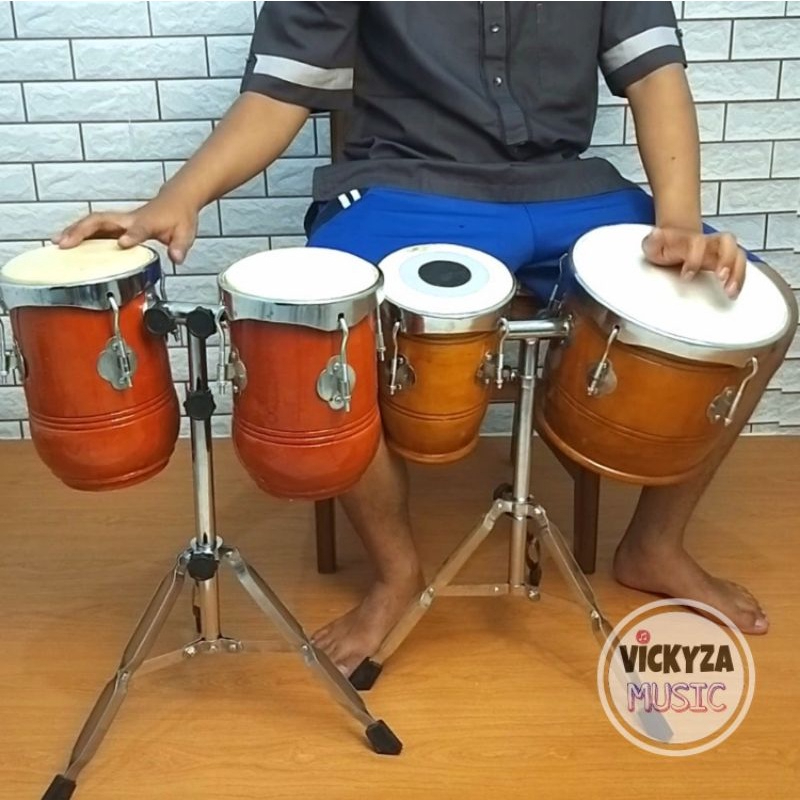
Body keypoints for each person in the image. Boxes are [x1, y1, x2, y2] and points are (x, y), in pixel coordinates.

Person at [56, 2, 797, 675]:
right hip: (402, 186)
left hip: (568, 189)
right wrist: (178, 198)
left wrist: (678, 221)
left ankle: (655, 545)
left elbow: (654, 74)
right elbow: (277, 97)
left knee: (759, 308)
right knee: (317, 320)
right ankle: (397, 573)